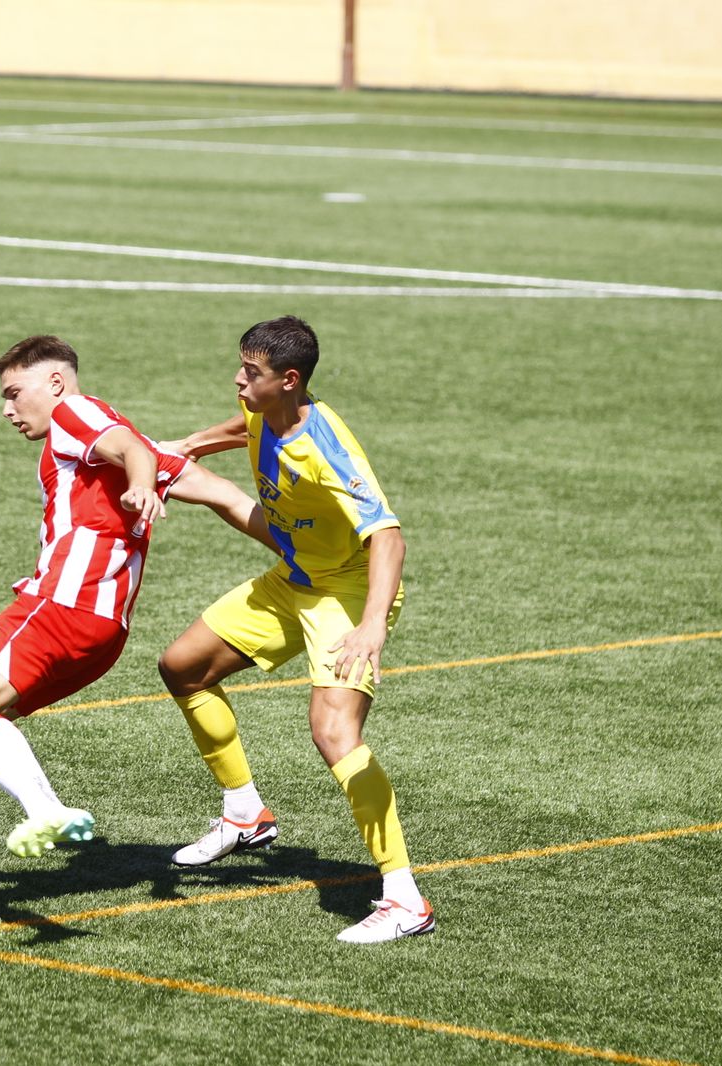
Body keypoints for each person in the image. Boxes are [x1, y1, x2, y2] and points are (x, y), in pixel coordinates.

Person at [0, 335, 272, 907]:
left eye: (14, 394)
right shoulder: (119, 449)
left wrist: (138, 477)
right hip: (103, 634)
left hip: (59, 605)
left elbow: (129, 446)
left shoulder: (74, 413)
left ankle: (46, 808)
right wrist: (299, 549)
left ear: (55, 383)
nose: (7, 410)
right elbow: (225, 496)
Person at [155, 315, 432, 945]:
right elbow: (239, 426)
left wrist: (370, 628)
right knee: (182, 667)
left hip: (348, 592)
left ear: (289, 380)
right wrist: (186, 445)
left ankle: (404, 898)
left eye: (250, 373)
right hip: (295, 576)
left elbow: (388, 535)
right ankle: (245, 813)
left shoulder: (328, 447)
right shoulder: (262, 410)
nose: (237, 379)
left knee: (334, 732)